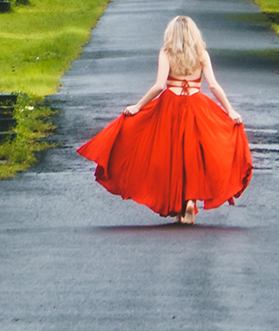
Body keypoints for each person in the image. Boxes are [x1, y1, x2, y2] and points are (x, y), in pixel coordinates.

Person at [77, 13, 252, 225]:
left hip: (170, 105)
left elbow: (160, 85)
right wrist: (230, 110)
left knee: (172, 155)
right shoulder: (202, 54)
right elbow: (213, 85)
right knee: (194, 154)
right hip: (197, 105)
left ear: (172, 34)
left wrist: (138, 106)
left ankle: (181, 203)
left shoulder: (167, 53)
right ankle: (189, 201)